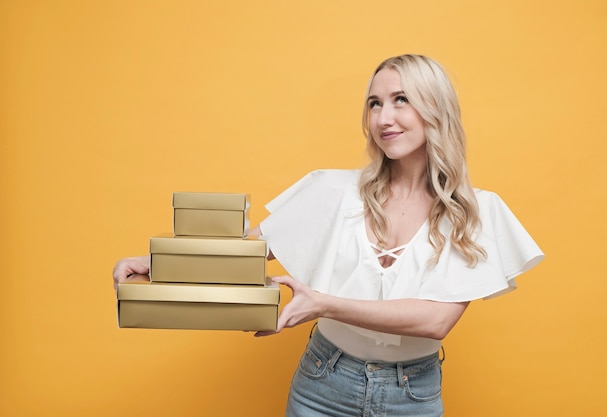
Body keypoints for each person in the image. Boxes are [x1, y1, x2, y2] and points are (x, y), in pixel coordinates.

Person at [113, 54, 544, 416]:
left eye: (401, 100)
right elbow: (248, 250)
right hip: (322, 383)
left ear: (436, 108)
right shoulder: (333, 190)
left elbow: (435, 321)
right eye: (374, 103)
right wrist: (156, 265)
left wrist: (322, 303)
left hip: (412, 396)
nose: (383, 117)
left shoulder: (475, 211)